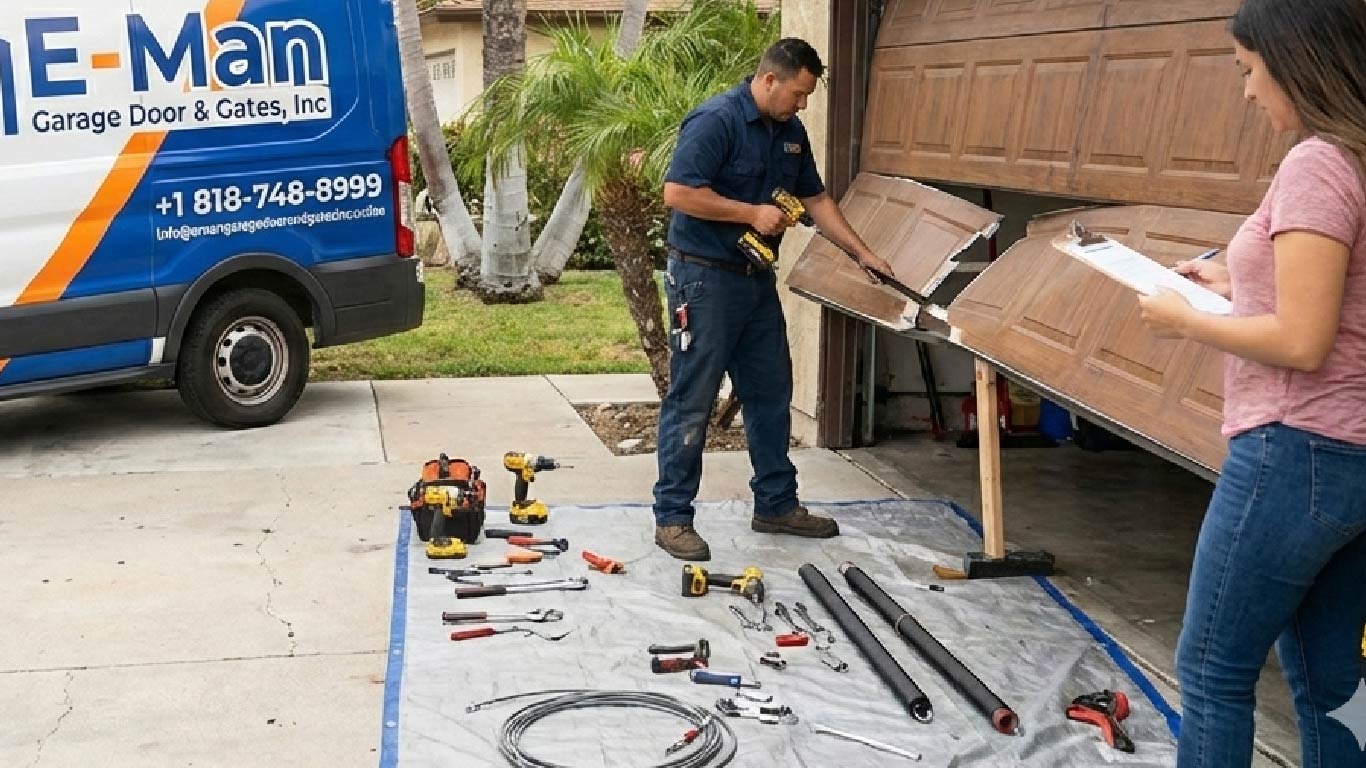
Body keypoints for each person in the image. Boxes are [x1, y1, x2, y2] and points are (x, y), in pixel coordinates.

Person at [1137, 1, 1366, 765]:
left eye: (1247, 70)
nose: (1244, 90)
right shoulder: (1357, 159)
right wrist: (1228, 282)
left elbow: (1302, 340)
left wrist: (1185, 320)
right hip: (1352, 460)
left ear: (1297, 63)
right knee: (1335, 684)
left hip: (1293, 452)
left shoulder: (1317, 163)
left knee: (1211, 670)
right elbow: (1331, 303)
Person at [651, 38, 893, 561]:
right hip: (703, 279)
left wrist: (862, 253)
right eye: (799, 93)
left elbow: (817, 199)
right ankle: (672, 518)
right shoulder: (716, 120)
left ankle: (776, 505)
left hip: (754, 281)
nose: (802, 104)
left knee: (770, 392)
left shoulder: (790, 133)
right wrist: (750, 213)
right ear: (769, 80)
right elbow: (678, 193)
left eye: (807, 96)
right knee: (692, 398)